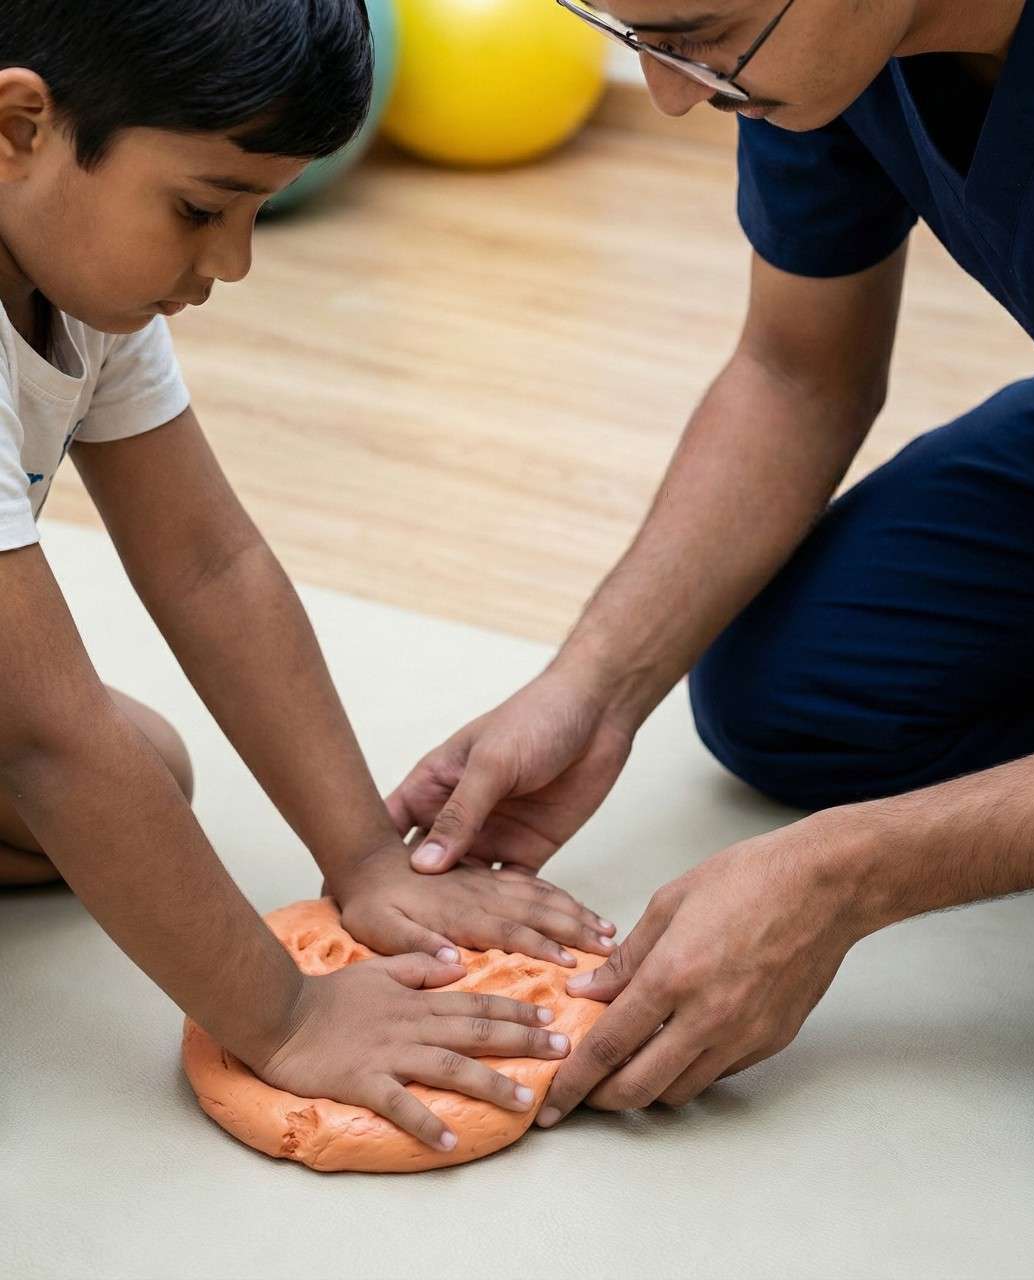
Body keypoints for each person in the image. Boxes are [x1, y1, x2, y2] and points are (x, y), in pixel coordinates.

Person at [392, 0, 1034, 1188]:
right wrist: (592, 689)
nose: (667, 96)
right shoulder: (828, 47)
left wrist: (849, 871)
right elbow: (794, 369)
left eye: (691, 33)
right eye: (630, 35)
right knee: (788, 690)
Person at [0, 0, 619, 1156]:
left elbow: (209, 561)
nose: (230, 264)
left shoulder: (81, 280)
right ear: (20, 126)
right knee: (74, 762)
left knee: (144, 772)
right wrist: (282, 1014)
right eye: (199, 208)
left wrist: (366, 859)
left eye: (255, 214)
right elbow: (47, 736)